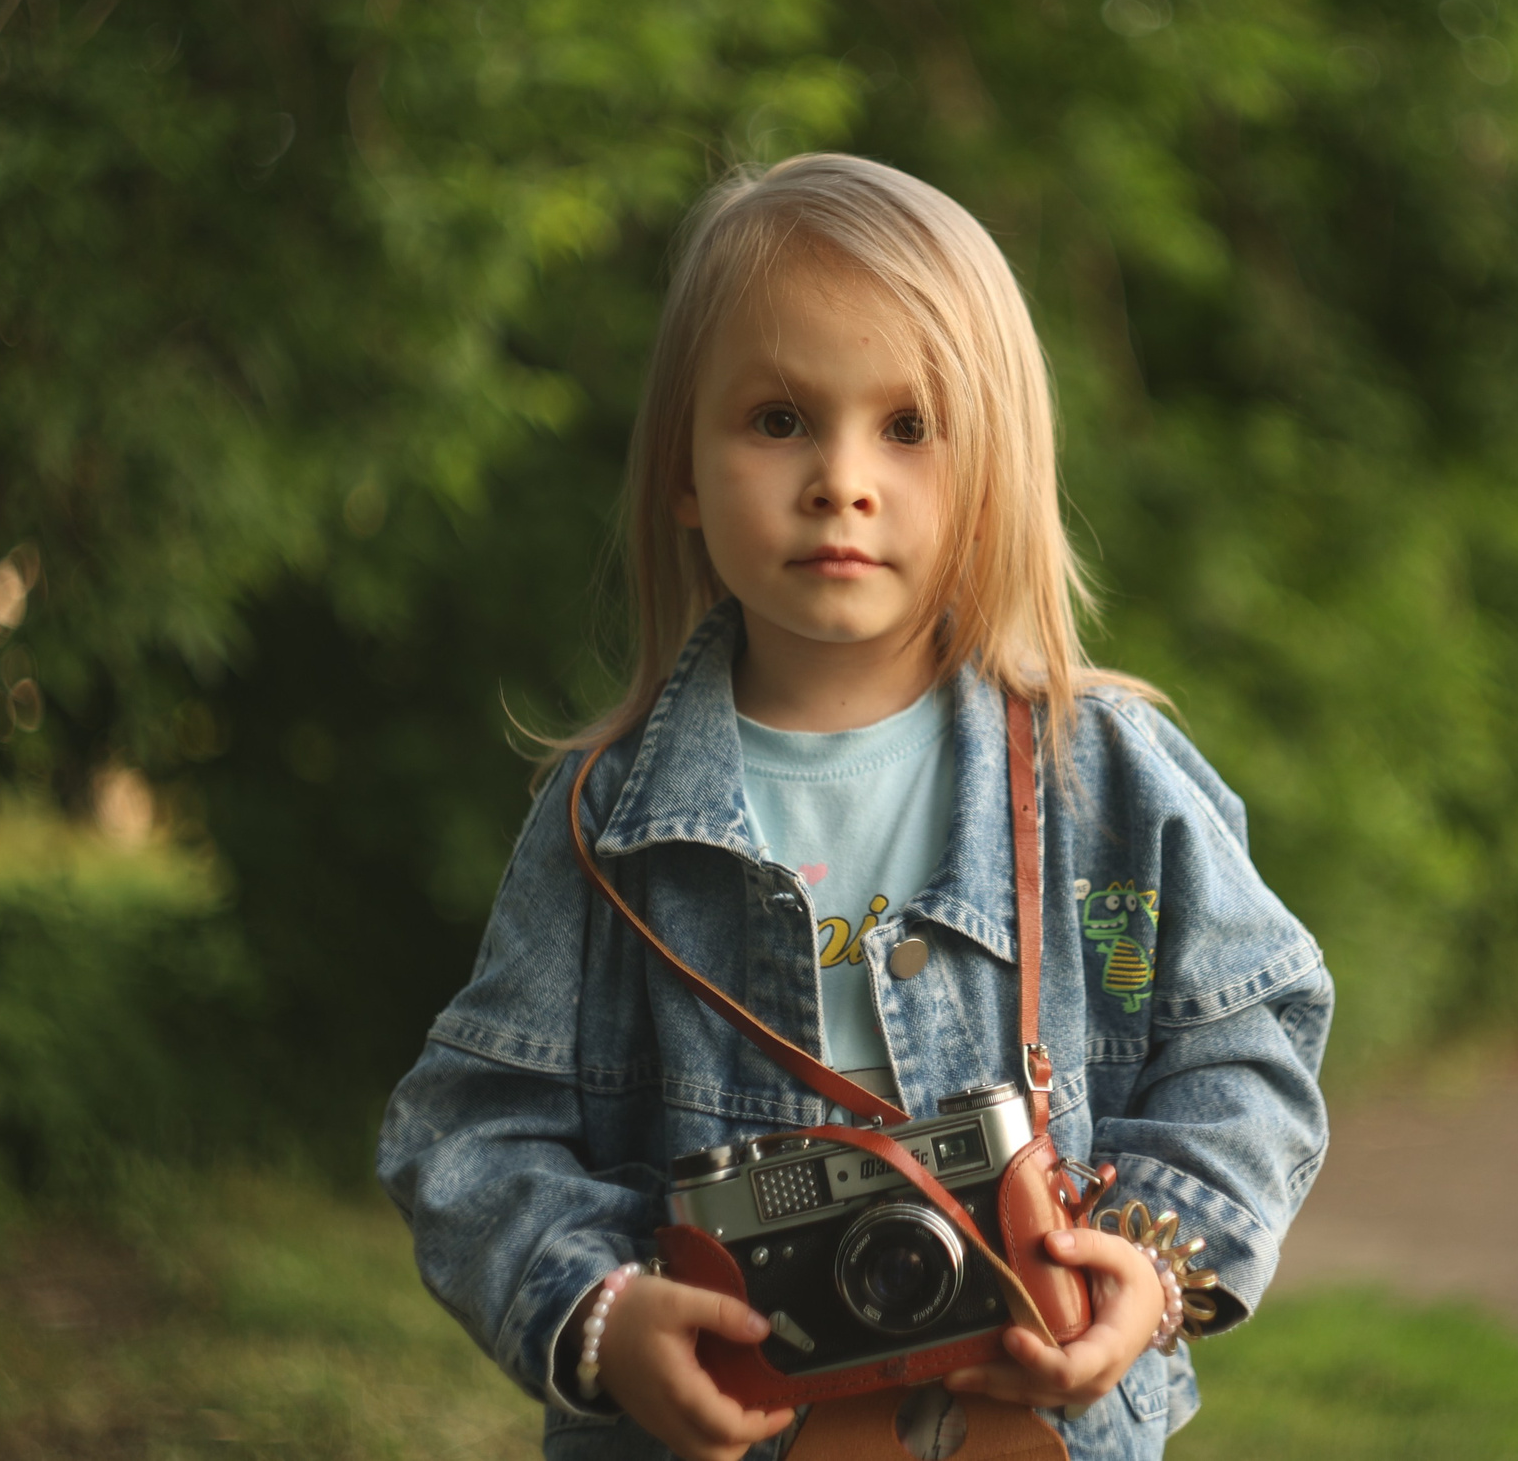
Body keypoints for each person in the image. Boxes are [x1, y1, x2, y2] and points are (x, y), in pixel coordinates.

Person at [378, 153, 1332, 1461]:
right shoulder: (609, 829)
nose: (840, 477)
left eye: (907, 426)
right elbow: (471, 1131)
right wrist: (602, 1320)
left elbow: (1244, 1046)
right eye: (778, 420)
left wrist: (1150, 1266)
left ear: (992, 470)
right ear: (681, 473)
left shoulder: (1099, 782)